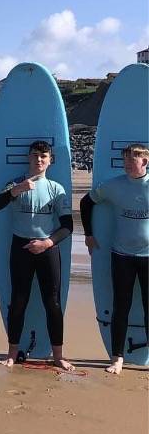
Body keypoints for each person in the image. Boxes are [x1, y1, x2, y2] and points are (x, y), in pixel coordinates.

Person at [0, 140, 74, 370]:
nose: (39, 160)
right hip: (21, 248)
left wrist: (47, 242)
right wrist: (16, 191)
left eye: (43, 156)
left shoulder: (56, 189)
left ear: (50, 160)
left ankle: (58, 355)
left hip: (47, 249)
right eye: (35, 155)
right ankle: (11, 353)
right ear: (29, 158)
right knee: (18, 301)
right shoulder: (16, 183)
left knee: (53, 303)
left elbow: (68, 225)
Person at [80, 143, 149, 375]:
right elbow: (86, 202)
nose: (128, 164)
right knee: (121, 307)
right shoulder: (114, 186)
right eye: (125, 160)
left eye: (133, 160)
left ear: (145, 162)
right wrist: (89, 234)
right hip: (122, 256)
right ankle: (117, 358)